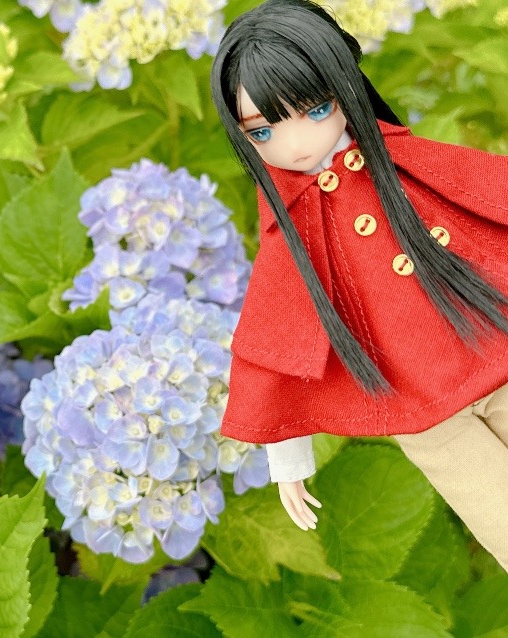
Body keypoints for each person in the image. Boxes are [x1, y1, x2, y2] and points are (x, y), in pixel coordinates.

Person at [209, 0, 508, 570]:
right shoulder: (293, 230)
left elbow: (488, 198)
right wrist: (289, 459)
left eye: (316, 109)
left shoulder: (404, 164)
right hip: (427, 415)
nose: (296, 144)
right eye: (264, 131)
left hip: (494, 353)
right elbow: (280, 339)